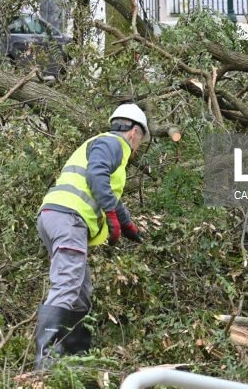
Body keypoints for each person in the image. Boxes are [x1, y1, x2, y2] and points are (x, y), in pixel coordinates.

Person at [34, 103, 148, 369]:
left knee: (81, 291)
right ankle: (46, 361)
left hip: (56, 216)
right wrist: (109, 215)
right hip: (69, 219)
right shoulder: (114, 145)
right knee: (66, 286)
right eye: (141, 140)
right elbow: (97, 176)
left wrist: (127, 224)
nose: (138, 146)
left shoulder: (102, 145)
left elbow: (109, 192)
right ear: (134, 133)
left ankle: (76, 358)